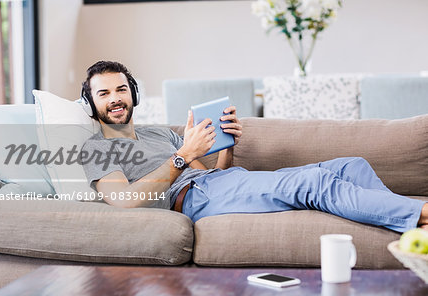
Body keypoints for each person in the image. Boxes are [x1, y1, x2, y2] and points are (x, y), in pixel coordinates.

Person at [80, 60, 428, 233]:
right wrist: (184, 154)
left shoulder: (159, 134)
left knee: (351, 166)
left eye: (121, 89)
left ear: (133, 93)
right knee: (314, 184)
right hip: (191, 201)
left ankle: (409, 231)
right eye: (104, 93)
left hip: (217, 186)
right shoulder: (96, 148)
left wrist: (227, 146)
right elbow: (125, 202)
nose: (115, 99)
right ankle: (420, 217)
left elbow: (215, 179)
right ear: (91, 103)